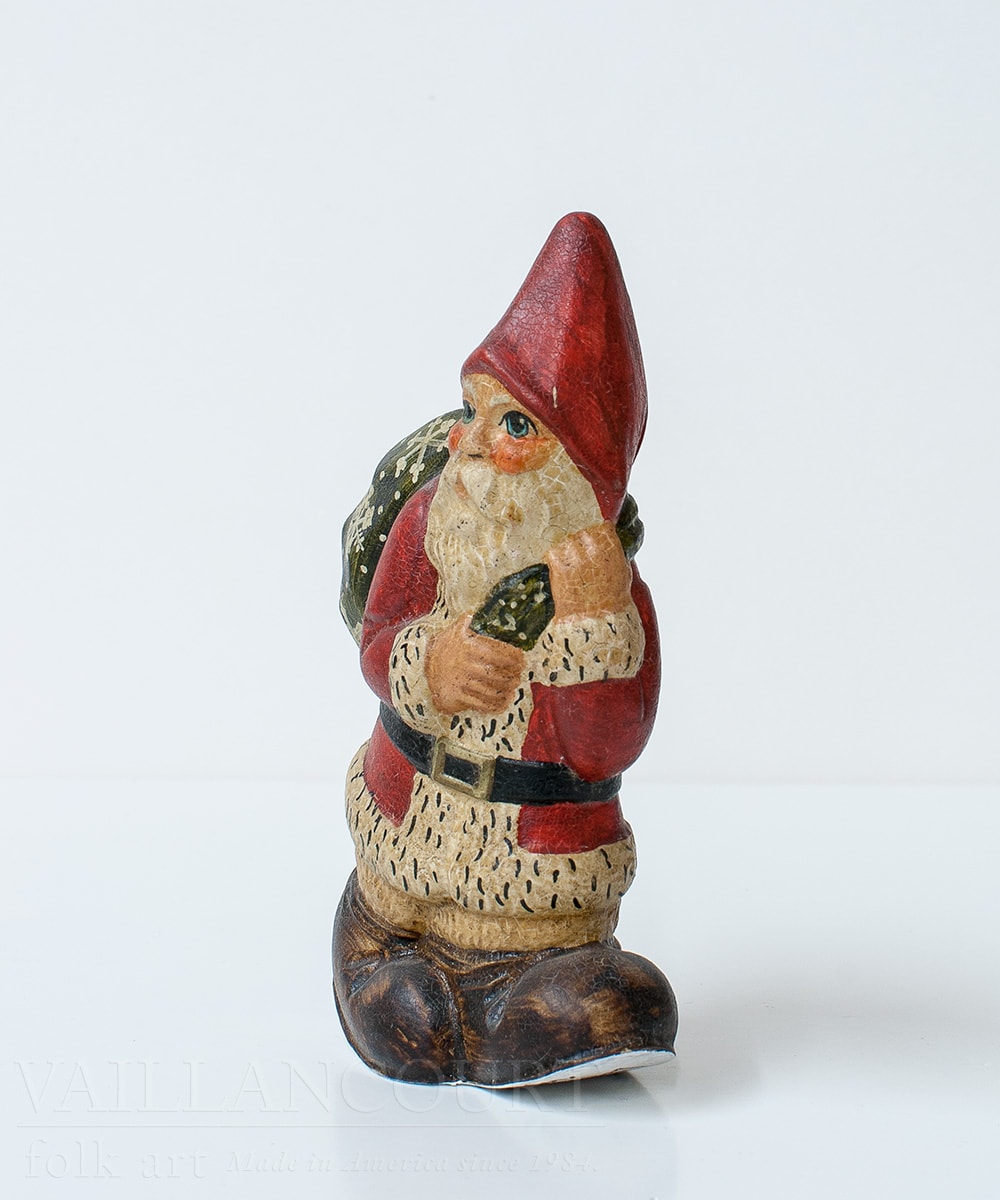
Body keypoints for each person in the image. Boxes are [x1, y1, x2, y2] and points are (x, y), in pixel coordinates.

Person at [333, 212, 676, 1086]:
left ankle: (518, 1006)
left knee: (614, 1002)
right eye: (472, 412)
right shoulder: (431, 521)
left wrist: (591, 632)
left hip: (531, 878)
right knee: (396, 987)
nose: (475, 443)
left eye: (515, 426)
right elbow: (377, 640)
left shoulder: (605, 593)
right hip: (405, 840)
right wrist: (428, 665)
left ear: (579, 473)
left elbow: (607, 745)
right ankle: (387, 969)